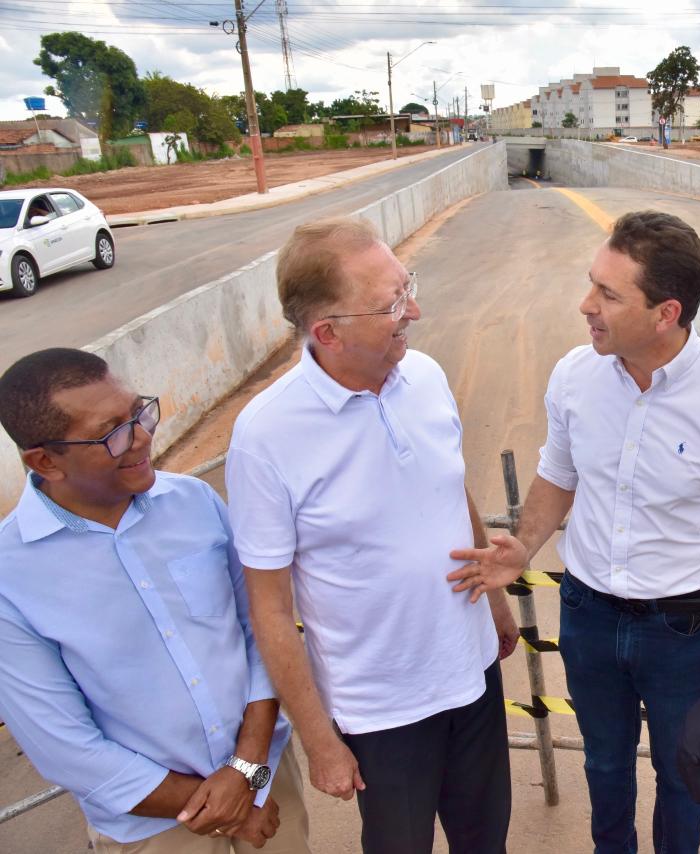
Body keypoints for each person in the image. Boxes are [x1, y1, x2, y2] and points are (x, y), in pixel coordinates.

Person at [448, 210, 700, 853]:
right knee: (604, 766)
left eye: (608, 294)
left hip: (682, 629)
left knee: (683, 777)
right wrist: (524, 546)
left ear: (666, 313)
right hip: (588, 616)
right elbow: (558, 474)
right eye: (592, 284)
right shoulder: (575, 376)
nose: (587, 305)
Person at [226, 217, 518, 854]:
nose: (414, 310)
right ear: (327, 332)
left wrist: (495, 604)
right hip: (381, 709)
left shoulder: (427, 377)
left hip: (471, 673)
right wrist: (319, 741)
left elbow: (451, 488)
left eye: (407, 286)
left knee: (485, 839)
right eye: (391, 304)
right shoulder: (266, 435)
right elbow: (269, 609)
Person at [0, 348, 308, 853]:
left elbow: (259, 630)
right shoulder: (10, 578)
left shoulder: (194, 502)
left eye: (138, 413)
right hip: (154, 828)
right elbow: (63, 745)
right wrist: (231, 807)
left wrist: (246, 774)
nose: (142, 436)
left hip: (264, 778)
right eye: (112, 432)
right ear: (45, 461)